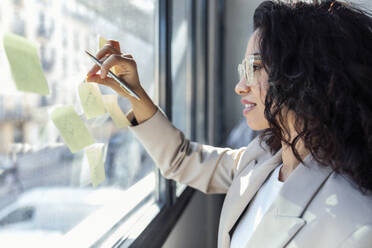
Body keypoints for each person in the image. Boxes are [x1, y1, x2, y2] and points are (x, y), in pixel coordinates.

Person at [86, 1, 372, 247]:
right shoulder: (261, 158)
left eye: (255, 68)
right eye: (242, 70)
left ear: (309, 76)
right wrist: (135, 93)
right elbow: (182, 160)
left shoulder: (355, 226)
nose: (239, 86)